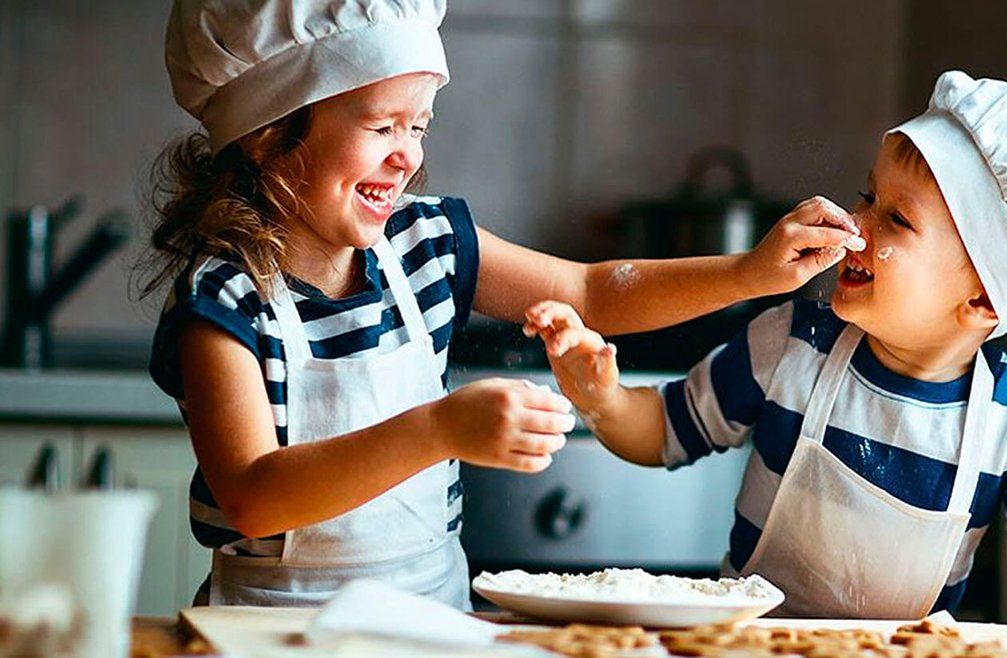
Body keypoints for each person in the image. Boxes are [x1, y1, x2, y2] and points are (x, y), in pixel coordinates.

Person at [144, 0, 865, 608]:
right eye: (381, 125)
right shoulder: (224, 296)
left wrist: (747, 274)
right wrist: (437, 430)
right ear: (271, 133)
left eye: (419, 126)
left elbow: (590, 290)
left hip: (432, 622)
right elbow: (251, 496)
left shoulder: (428, 244)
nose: (408, 156)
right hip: (267, 633)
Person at [528, 71, 1007, 636]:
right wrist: (602, 398)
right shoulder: (790, 344)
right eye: (866, 196)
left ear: (984, 298)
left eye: (895, 220)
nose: (856, 224)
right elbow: (663, 431)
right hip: (744, 648)